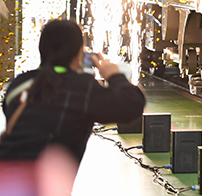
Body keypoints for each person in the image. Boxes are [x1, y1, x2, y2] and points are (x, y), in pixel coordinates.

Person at [0, 20, 146, 164]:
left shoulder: (19, 83)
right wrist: (113, 75)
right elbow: (132, 104)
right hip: (35, 178)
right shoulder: (83, 88)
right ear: (79, 53)